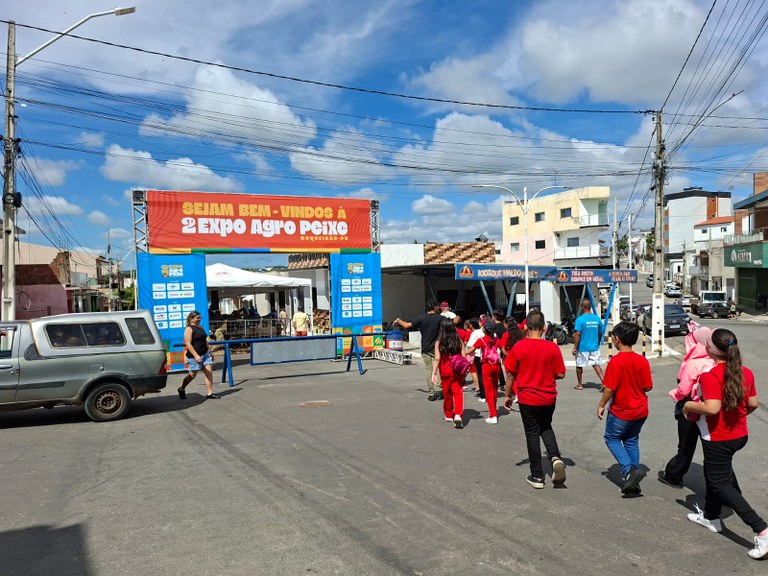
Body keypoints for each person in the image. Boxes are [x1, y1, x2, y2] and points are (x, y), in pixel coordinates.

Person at [682, 328, 768, 560]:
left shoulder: (710, 376)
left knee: (720, 483)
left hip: (718, 438)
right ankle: (711, 517)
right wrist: (736, 415)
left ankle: (761, 529)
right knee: (716, 475)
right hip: (739, 435)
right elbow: (752, 404)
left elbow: (712, 408)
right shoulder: (745, 372)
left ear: (710, 349)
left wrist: (689, 406)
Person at [503, 309, 567, 489]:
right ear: (545, 327)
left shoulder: (519, 347)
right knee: (545, 426)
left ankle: (537, 476)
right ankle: (554, 456)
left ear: (525, 328)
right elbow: (560, 373)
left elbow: (510, 375)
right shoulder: (552, 347)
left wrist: (508, 395)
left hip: (527, 398)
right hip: (548, 397)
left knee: (532, 434)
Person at [596, 322, 653, 494]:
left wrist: (601, 404)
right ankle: (633, 476)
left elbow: (609, 388)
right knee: (631, 439)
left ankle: (629, 470)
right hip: (641, 410)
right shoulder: (642, 361)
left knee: (612, 438)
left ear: (617, 340)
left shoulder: (616, 361)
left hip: (622, 411)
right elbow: (648, 387)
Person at [658, 325, 714, 488]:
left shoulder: (693, 363)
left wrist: (673, 394)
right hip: (709, 407)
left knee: (686, 444)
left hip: (690, 409)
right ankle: (722, 483)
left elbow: (683, 390)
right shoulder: (714, 360)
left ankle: (674, 475)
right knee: (710, 447)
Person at [393, 299, 444, 401]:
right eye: (438, 306)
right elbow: (451, 325)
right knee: (438, 369)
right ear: (434, 307)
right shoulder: (440, 318)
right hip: (437, 348)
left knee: (428, 370)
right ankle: (439, 390)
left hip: (425, 347)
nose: (439, 308)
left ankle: (431, 393)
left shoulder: (421, 318)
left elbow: (407, 325)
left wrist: (398, 320)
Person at [465, 320, 502, 424]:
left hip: (486, 366)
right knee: (494, 389)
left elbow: (469, 350)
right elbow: (504, 351)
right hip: (497, 366)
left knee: (489, 391)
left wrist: (460, 351)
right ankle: (494, 410)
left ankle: (493, 415)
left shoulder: (481, 340)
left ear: (484, 329)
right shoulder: (497, 340)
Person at [431, 318, 465, 428]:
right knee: (458, 392)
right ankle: (458, 414)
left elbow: (437, 359)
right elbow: (463, 355)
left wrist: (434, 373)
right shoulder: (458, 340)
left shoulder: (439, 343)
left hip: (445, 371)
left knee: (447, 393)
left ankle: (449, 414)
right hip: (457, 371)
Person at [178, 311, 219, 400]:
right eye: (197, 318)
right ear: (191, 319)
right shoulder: (189, 329)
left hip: (205, 354)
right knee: (192, 375)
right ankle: (182, 389)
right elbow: (188, 344)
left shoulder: (200, 327)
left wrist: (210, 352)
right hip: (194, 356)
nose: (199, 319)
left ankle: (209, 393)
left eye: (200, 318)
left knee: (209, 373)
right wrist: (196, 356)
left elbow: (205, 341)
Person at [572, 299, 605, 391]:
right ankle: (604, 382)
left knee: (579, 365)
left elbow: (577, 334)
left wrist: (575, 347)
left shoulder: (580, 319)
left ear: (583, 307)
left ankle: (579, 384)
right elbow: (600, 332)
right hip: (594, 347)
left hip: (583, 347)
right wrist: (598, 342)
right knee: (596, 364)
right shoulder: (597, 318)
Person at [467, 317, 486, 401]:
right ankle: (490, 393)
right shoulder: (494, 334)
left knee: (480, 375)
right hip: (491, 357)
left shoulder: (476, 333)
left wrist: (465, 352)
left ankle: (482, 394)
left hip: (478, 355)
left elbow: (470, 345)